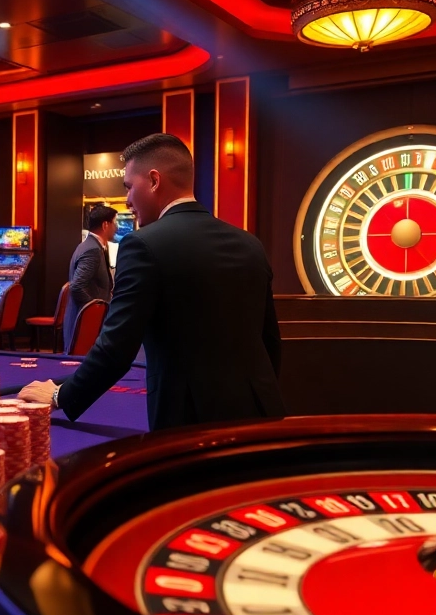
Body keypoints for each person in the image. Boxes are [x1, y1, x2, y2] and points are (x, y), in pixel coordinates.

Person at [21, 133, 284, 430]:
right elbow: (270, 342)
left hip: (191, 423)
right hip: (263, 414)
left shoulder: (142, 245)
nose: (128, 200)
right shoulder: (250, 244)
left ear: (155, 180)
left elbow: (116, 348)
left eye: (130, 187)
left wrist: (60, 394)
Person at [65, 204, 116, 350]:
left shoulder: (91, 246)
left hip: (87, 326)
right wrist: (95, 310)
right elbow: (77, 287)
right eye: (115, 223)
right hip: (85, 327)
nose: (117, 227)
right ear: (105, 224)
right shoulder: (92, 250)